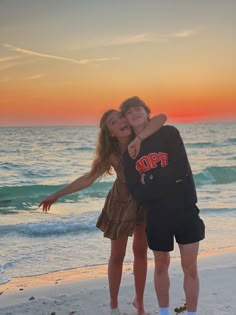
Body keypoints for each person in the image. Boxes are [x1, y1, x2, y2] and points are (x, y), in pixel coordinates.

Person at [39, 109, 167, 315]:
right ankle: (114, 306)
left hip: (144, 200)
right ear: (111, 133)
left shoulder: (142, 138)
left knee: (141, 253)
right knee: (117, 256)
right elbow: (88, 178)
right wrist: (57, 194)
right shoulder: (111, 154)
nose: (121, 122)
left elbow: (161, 119)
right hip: (121, 202)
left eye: (120, 117)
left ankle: (139, 304)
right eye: (114, 122)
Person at [120, 96, 205, 315]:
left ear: (147, 112)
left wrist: (149, 179)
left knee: (190, 266)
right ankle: (164, 312)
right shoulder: (129, 154)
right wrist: (156, 183)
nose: (134, 113)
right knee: (160, 264)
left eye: (138, 109)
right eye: (129, 112)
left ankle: (192, 313)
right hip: (157, 213)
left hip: (185, 207)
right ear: (126, 120)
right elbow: (135, 190)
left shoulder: (169, 133)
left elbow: (179, 171)